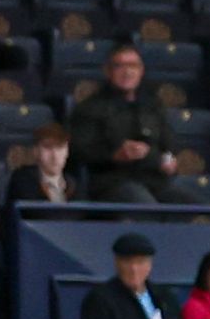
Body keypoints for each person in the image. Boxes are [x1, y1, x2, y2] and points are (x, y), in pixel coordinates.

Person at [68, 43, 173, 201]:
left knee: (200, 210)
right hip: (112, 182)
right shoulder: (90, 108)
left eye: (133, 66)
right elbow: (78, 150)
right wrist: (114, 155)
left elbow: (168, 143)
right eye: (119, 66)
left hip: (154, 180)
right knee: (145, 206)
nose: (127, 72)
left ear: (141, 71)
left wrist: (169, 161)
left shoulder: (153, 106)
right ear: (107, 71)